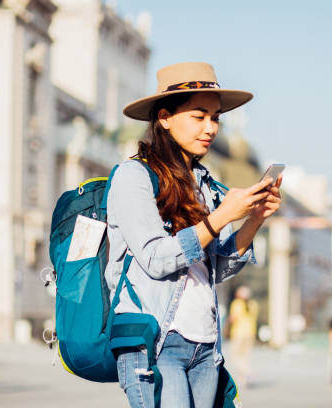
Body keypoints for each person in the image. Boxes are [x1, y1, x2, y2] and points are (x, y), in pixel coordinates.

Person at [105, 61, 282, 408]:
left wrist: (253, 220)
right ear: (165, 118)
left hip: (205, 346)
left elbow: (217, 270)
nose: (211, 127)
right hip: (155, 341)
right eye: (199, 116)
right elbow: (157, 259)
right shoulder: (133, 177)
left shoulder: (207, 186)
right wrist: (220, 218)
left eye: (216, 118)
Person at [228, 285, 258, 388]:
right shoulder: (253, 304)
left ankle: (248, 372)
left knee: (235, 357)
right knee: (245, 357)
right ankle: (243, 381)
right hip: (251, 334)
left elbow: (233, 319)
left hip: (239, 334)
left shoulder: (236, 304)